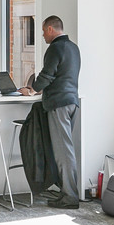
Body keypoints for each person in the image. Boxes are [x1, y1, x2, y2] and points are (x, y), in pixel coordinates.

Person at [21, 15, 81, 209]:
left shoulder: (55, 48)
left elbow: (47, 75)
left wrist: (32, 88)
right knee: (66, 150)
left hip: (58, 104)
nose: (42, 35)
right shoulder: (73, 48)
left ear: (50, 29)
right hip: (72, 102)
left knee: (64, 153)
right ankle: (66, 192)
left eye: (43, 31)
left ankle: (70, 197)